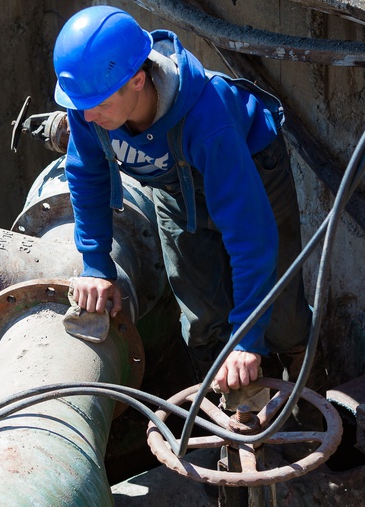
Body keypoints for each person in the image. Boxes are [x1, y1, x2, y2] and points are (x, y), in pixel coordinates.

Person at [53, 5, 319, 394]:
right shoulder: (89, 104)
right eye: (80, 105)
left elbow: (250, 235)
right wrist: (96, 264)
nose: (88, 116)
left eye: (101, 104)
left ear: (138, 80)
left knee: (282, 322)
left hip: (251, 169)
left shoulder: (208, 119)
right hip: (175, 188)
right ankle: (225, 424)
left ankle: (306, 414)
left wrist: (246, 339)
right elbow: (85, 175)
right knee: (201, 320)